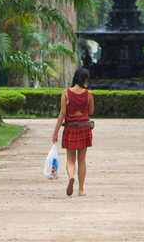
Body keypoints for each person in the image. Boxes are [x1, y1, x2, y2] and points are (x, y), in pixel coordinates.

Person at [52, 68, 94, 197]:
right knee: (82, 160)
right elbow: (91, 112)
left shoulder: (66, 93)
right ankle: (81, 189)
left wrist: (55, 132)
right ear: (85, 80)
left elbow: (62, 114)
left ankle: (71, 177)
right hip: (84, 128)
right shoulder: (88, 94)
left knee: (70, 160)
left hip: (70, 129)